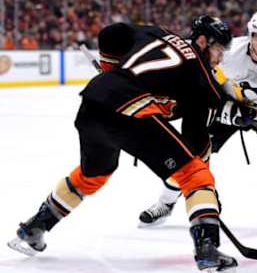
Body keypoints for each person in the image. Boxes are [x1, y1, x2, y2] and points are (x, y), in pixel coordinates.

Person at [7, 16, 239, 272]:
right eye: (218, 50)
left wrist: (110, 69)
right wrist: (204, 192)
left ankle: (34, 228)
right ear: (203, 41)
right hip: (130, 112)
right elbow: (199, 135)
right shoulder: (202, 75)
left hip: (92, 104)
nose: (219, 58)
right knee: (195, 174)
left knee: (92, 176)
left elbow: (111, 33)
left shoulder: (159, 33)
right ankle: (207, 249)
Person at [138, 10, 257, 231]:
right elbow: (206, 87)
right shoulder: (229, 54)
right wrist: (226, 110)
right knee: (191, 156)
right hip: (228, 109)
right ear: (250, 36)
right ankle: (165, 203)